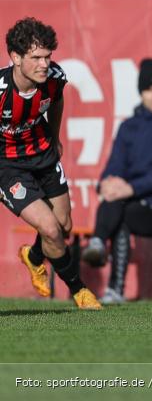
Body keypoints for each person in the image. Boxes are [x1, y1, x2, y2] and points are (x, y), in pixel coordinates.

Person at [1, 18, 101, 309]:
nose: (44, 64)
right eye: (36, 58)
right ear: (15, 58)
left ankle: (33, 258)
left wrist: (54, 136)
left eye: (47, 57)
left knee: (64, 226)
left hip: (43, 155)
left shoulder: (55, 78)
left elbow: (56, 101)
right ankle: (81, 292)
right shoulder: (1, 92)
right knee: (51, 230)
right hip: (7, 167)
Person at [81, 59, 152, 304]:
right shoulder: (129, 126)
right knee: (117, 203)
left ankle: (103, 257)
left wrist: (130, 188)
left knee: (120, 210)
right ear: (141, 92)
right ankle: (102, 254)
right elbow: (114, 166)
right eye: (149, 90)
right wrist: (106, 184)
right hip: (132, 200)